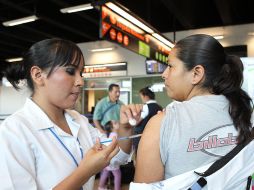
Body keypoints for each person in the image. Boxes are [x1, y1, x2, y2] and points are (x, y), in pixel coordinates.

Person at [119, 34, 254, 183]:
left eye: (170, 66)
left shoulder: (161, 124)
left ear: (196, 74)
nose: (164, 74)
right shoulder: (245, 113)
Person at [0, 38, 130, 190]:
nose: (80, 81)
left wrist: (126, 127)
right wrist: (85, 171)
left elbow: (115, 156)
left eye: (81, 73)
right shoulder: (14, 132)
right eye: (70, 71)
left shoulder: (78, 120)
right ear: (38, 75)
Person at [133, 86, 162, 152]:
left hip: (142, 137)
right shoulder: (159, 107)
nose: (141, 98)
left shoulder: (145, 107)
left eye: (141, 96)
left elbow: (136, 122)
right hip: (156, 138)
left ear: (145, 96)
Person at [98, 120, 121, 190]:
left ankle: (101, 187)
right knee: (117, 174)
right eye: (115, 123)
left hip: (108, 157)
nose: (118, 123)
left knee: (105, 172)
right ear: (112, 128)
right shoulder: (115, 136)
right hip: (113, 158)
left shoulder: (110, 135)